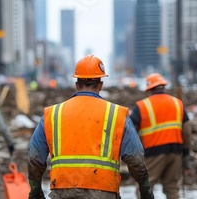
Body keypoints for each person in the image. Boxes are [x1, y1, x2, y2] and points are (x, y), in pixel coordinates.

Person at [27, 55, 155, 199]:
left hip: (63, 191)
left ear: (77, 85)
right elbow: (135, 158)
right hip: (103, 191)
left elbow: (34, 157)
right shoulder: (116, 114)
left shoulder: (52, 114)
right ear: (100, 85)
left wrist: (35, 189)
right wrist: (145, 189)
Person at [129, 73, 192, 199]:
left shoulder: (142, 106)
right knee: (172, 189)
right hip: (176, 152)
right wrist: (185, 156)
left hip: (153, 152)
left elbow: (130, 131)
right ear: (163, 86)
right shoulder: (177, 103)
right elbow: (187, 132)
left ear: (149, 88)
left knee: (145, 189)